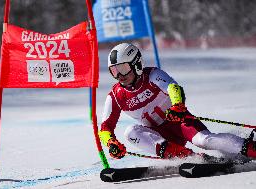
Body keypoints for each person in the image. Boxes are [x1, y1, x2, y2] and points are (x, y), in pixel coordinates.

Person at [98, 43, 256, 160]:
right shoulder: (115, 96)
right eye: (114, 71)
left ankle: (251, 149)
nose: (120, 75)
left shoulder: (153, 75)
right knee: (130, 132)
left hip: (180, 122)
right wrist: (111, 143)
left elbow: (173, 88)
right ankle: (192, 158)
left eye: (123, 68)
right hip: (161, 137)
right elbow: (105, 128)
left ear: (137, 64)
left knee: (204, 140)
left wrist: (177, 106)